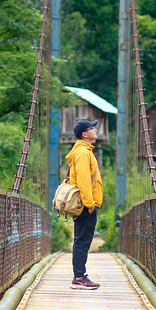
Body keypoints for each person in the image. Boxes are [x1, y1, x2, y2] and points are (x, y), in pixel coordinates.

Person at [67, 118, 103, 290]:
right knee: (82, 241)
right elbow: (83, 180)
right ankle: (79, 277)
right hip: (85, 204)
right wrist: (89, 204)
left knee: (82, 240)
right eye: (92, 128)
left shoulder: (84, 151)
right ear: (84, 134)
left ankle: (79, 276)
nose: (95, 130)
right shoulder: (83, 153)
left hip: (85, 203)